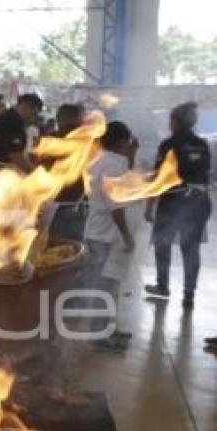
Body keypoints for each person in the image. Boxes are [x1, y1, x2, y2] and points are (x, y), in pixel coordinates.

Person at [144, 102, 212, 309]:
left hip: (174, 201)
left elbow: (159, 179)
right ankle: (189, 294)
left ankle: (163, 286)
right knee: (190, 249)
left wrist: (149, 206)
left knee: (163, 244)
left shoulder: (168, 145)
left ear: (175, 122)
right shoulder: (202, 144)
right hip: (199, 202)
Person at [82, 121, 138, 352]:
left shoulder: (98, 159)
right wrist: (127, 235)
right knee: (104, 287)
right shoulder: (117, 163)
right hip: (107, 234)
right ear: (121, 142)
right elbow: (117, 206)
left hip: (95, 229)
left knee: (107, 285)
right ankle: (98, 335)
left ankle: (106, 328)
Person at [0, 93, 44, 195]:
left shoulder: (7, 118)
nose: (33, 118)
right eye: (34, 114)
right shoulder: (13, 122)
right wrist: (35, 175)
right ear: (27, 107)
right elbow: (16, 155)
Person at [48, 103, 88, 241]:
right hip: (73, 203)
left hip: (56, 202)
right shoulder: (86, 142)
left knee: (54, 242)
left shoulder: (50, 140)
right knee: (70, 246)